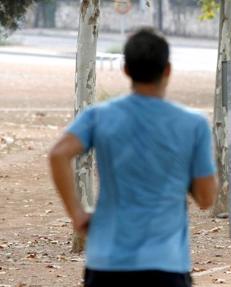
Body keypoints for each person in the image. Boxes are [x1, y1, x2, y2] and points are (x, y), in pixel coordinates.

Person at [48, 28, 217, 286]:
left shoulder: (98, 116)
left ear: (125, 70)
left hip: (106, 263)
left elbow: (58, 154)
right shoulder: (193, 124)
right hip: (166, 264)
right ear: (168, 70)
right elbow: (206, 198)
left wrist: (77, 214)